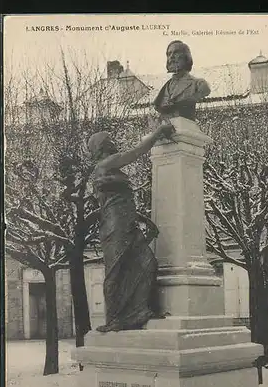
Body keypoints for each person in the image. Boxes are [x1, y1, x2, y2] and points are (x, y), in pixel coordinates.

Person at [88, 124, 175, 332]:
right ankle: (114, 319)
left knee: (147, 263)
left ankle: (139, 311)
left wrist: (144, 219)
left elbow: (122, 200)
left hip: (128, 221)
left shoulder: (112, 168)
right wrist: (157, 133)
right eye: (109, 140)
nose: (113, 142)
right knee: (116, 271)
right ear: (101, 146)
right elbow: (136, 152)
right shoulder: (105, 165)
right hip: (114, 225)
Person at [154, 40, 211, 121]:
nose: (171, 57)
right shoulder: (167, 86)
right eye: (169, 54)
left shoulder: (198, 84)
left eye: (176, 53)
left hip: (186, 127)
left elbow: (205, 91)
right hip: (166, 128)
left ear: (186, 56)